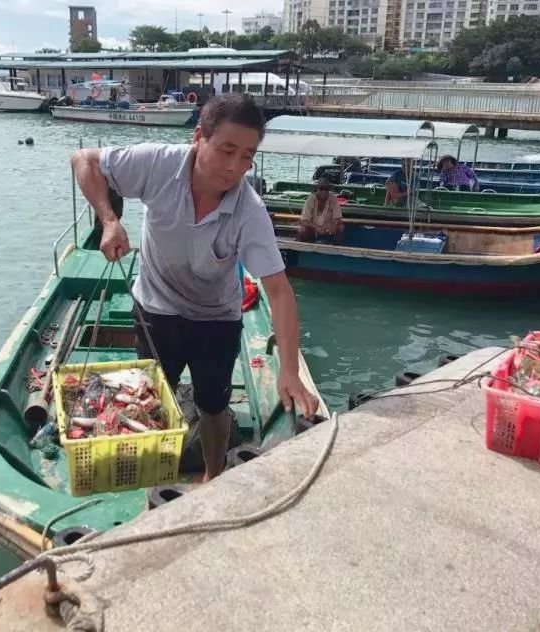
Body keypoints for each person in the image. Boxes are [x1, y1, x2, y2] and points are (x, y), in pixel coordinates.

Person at [71, 93, 319, 482]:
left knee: (214, 406)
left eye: (248, 156)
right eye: (226, 150)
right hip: (156, 307)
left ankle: (212, 476)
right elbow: (84, 160)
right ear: (199, 137)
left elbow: (279, 290)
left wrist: (289, 369)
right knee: (151, 398)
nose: (235, 167)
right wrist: (109, 221)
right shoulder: (157, 163)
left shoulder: (249, 211)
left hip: (216, 318)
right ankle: (153, 484)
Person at [298, 178, 343, 242]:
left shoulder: (333, 199)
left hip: (328, 228)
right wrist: (317, 227)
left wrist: (332, 224)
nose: (324, 191)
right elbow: (304, 220)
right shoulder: (310, 199)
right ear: (317, 189)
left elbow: (338, 219)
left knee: (340, 227)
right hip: (313, 228)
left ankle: (336, 245)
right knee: (302, 229)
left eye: (326, 189)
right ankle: (302, 246)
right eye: (321, 188)